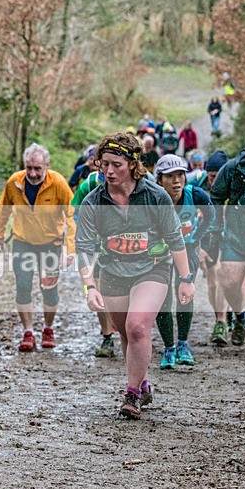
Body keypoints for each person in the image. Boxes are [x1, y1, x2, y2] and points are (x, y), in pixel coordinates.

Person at [76, 132, 194, 420]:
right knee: (126, 333)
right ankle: (142, 383)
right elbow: (83, 247)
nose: (109, 171)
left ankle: (131, 394)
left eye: (116, 164)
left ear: (132, 164)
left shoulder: (155, 196)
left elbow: (175, 239)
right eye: (104, 164)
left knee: (138, 326)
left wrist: (185, 279)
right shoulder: (94, 202)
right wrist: (90, 286)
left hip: (152, 268)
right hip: (113, 271)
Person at [0, 143, 75, 352]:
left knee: (48, 289)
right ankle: (28, 332)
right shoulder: (15, 182)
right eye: (29, 168)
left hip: (51, 243)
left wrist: (70, 248)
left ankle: (48, 328)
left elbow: (72, 216)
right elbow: (3, 209)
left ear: (47, 166)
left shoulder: (58, 183)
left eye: (38, 169)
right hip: (23, 242)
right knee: (22, 286)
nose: (32, 173)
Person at [153, 155, 214, 369]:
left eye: (180, 174)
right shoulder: (152, 198)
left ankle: (183, 344)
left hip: (187, 247)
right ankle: (168, 348)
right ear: (159, 180)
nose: (177, 180)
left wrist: (198, 237)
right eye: (170, 176)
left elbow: (210, 215)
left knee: (185, 293)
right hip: (160, 251)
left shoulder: (195, 194)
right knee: (162, 297)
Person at [209, 135, 245, 353]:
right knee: (229, 282)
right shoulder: (232, 169)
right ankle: (241, 315)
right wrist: (215, 227)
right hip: (236, 235)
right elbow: (215, 197)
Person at [191, 151, 240, 346]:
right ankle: (221, 317)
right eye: (212, 176)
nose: (216, 180)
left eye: (219, 175)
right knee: (213, 282)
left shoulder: (235, 184)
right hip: (208, 236)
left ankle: (227, 316)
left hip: (232, 236)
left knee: (230, 281)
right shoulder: (198, 187)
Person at [71, 170, 115, 357]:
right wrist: (85, 232)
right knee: (97, 289)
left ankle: (131, 333)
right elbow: (75, 213)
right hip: (96, 243)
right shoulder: (87, 185)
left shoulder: (134, 183)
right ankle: (107, 338)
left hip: (123, 243)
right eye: (105, 164)